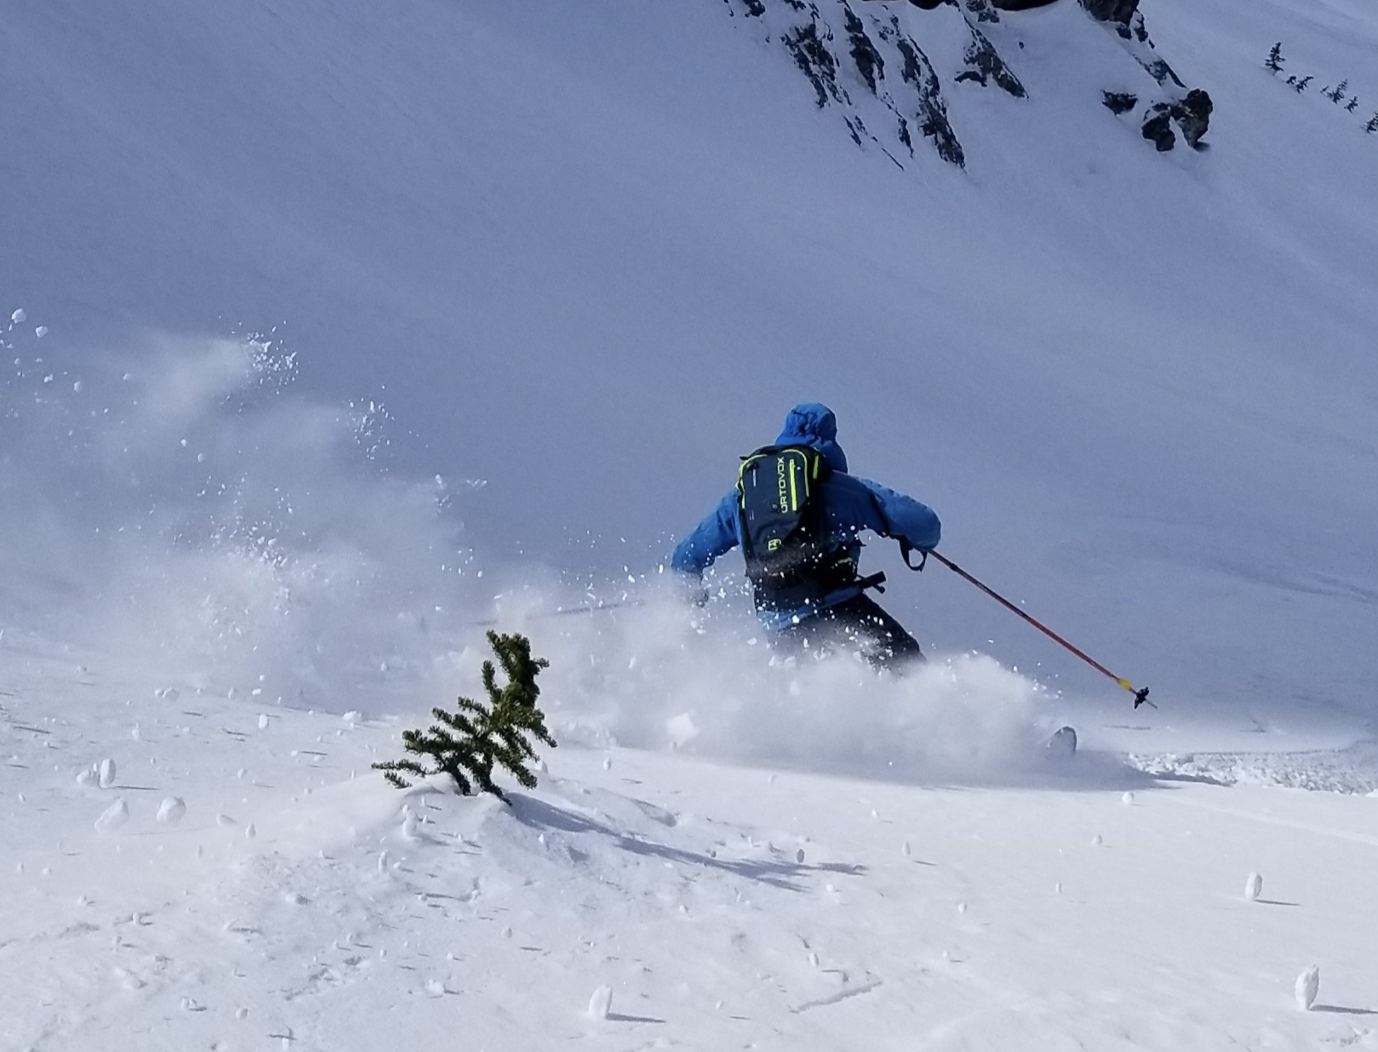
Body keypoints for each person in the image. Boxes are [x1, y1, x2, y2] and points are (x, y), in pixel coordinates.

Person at [671, 402, 941, 669]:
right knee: (908, 665)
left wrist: (691, 599)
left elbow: (686, 557)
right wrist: (916, 540)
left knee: (808, 682)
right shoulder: (836, 487)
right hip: (835, 605)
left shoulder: (744, 496)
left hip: (777, 624)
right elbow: (924, 523)